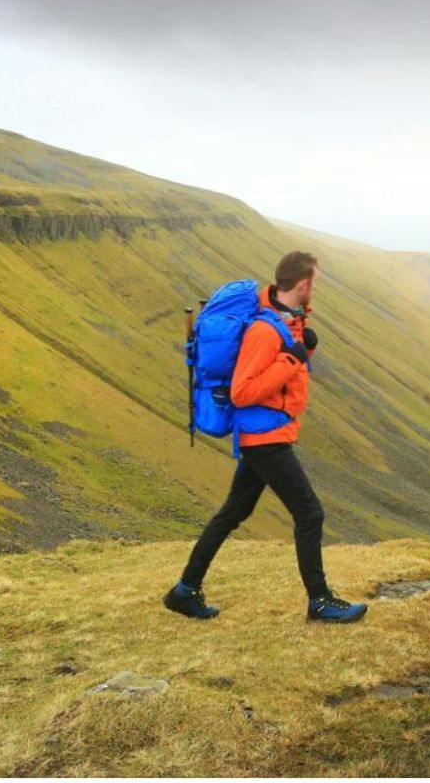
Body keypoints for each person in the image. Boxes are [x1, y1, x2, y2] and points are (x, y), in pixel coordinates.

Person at [164, 251, 368, 623]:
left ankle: (184, 590)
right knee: (310, 513)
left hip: (267, 434)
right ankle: (319, 601)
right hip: (265, 438)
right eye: (315, 283)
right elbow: (243, 391)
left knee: (233, 512)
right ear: (303, 284)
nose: (316, 289)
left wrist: (302, 348)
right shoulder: (262, 330)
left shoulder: (282, 320)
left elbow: (281, 370)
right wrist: (290, 359)